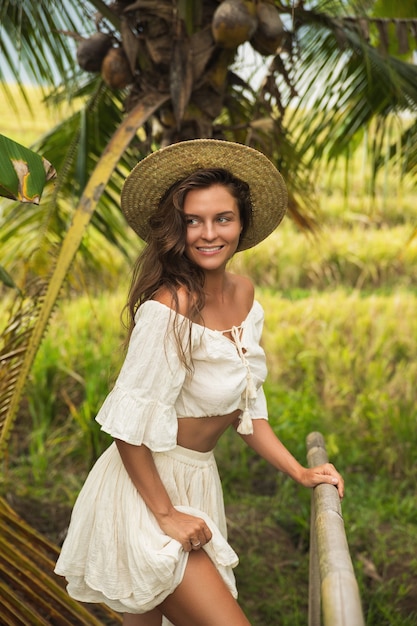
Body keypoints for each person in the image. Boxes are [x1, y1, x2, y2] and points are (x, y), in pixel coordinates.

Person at [55, 139, 344, 626]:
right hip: (146, 490)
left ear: (242, 224)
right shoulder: (168, 310)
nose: (208, 234)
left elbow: (247, 409)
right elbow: (128, 430)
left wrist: (300, 472)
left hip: (198, 481)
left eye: (222, 219)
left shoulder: (246, 296)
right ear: (177, 229)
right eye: (193, 221)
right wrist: (167, 515)